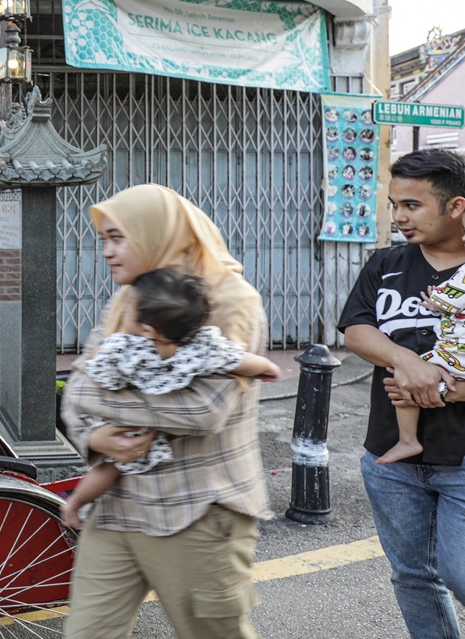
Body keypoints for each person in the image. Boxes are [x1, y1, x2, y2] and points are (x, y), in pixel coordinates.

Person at [60, 184, 270, 639]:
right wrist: (93, 439)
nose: (108, 253)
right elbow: (75, 384)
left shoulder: (230, 299)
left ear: (155, 232)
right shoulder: (131, 297)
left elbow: (204, 411)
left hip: (196, 511)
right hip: (116, 507)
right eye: (104, 241)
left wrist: (95, 401)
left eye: (118, 238)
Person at [339, 149, 465, 637]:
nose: (397, 216)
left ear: (455, 206)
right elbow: (356, 330)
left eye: (412, 206)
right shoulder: (387, 263)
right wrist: (407, 361)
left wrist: (453, 389)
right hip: (391, 455)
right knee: (414, 577)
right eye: (394, 203)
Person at [59, 268, 281, 528]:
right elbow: (239, 361)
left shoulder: (124, 348)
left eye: (129, 309)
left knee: (107, 468)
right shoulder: (200, 348)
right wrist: (268, 368)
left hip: (115, 421)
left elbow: (91, 371)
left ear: (148, 329)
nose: (122, 311)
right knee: (112, 469)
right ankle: (76, 507)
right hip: (154, 433)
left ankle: (74, 506)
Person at [377, 195, 465, 465]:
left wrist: (435, 299)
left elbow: (453, 298)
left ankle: (407, 440)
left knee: (407, 376)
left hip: (459, 352)